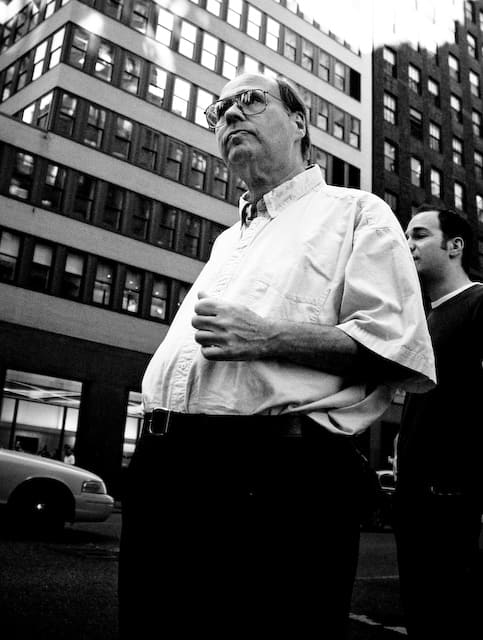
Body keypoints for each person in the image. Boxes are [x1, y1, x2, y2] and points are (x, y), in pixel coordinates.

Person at [119, 73, 436, 639]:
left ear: (300, 122)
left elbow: (398, 350)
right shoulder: (226, 239)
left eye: (250, 100)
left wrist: (269, 338)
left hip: (271, 480)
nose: (230, 116)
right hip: (164, 471)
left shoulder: (356, 212)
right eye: (220, 110)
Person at [394, 205, 483, 639]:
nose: (407, 245)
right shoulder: (424, 321)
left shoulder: (478, 305)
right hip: (414, 504)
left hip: (453, 504)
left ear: (455, 247)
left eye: (419, 235)